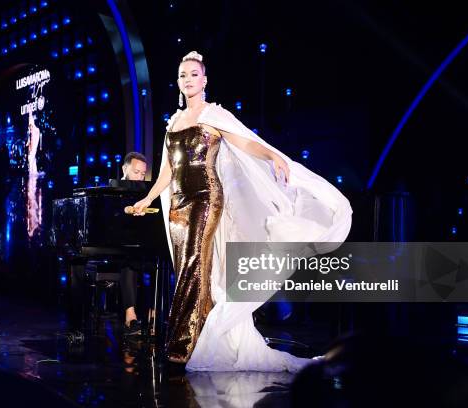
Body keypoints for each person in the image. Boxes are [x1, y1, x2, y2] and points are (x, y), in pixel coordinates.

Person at [132, 51, 352, 372]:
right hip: (178, 205)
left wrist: (272, 157)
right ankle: (199, 335)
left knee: (195, 263)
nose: (188, 79)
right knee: (191, 269)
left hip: (206, 198)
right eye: (183, 75)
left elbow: (247, 142)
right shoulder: (174, 122)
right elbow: (166, 171)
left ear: (204, 80)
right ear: (178, 82)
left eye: (194, 74)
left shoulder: (214, 115)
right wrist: (147, 199)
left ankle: (181, 344)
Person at [115, 152, 152, 335]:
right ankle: (130, 315)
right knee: (128, 262)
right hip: (118, 247)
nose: (140, 177)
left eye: (143, 174)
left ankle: (154, 313)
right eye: (136, 172)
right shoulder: (114, 190)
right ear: (125, 169)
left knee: (158, 261)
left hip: (142, 243)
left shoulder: (148, 192)